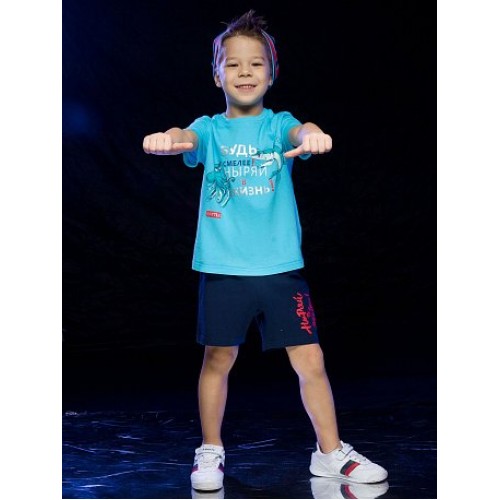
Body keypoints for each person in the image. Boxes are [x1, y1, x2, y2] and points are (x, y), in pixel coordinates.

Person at [143, 10, 388, 492]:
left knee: (311, 359)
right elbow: (183, 136)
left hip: (280, 269)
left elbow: (302, 130)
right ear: (217, 75)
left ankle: (330, 453)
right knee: (218, 359)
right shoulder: (210, 130)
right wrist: (168, 139)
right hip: (224, 269)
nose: (245, 72)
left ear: (271, 75)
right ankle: (210, 450)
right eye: (233, 64)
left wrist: (312, 134)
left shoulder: (279, 125)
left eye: (256, 64)